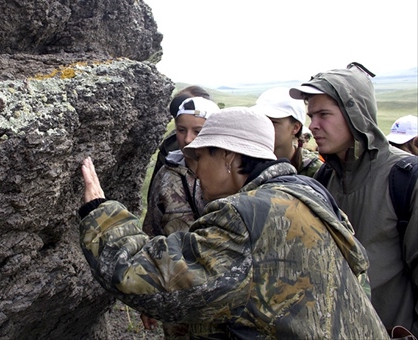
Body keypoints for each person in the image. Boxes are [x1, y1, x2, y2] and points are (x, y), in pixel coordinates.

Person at [78, 107, 388, 338]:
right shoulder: (308, 194)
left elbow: (143, 280)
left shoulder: (245, 215)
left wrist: (99, 211)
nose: (195, 171)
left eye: (200, 157)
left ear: (228, 156)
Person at [289, 62, 418, 334]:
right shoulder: (325, 178)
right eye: (311, 115)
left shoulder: (404, 179)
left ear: (354, 113)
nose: (313, 126)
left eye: (324, 114)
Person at [141, 96, 219, 338]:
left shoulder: (231, 172)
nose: (187, 139)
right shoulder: (166, 174)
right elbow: (152, 234)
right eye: (181, 130)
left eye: (198, 130)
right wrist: (148, 298)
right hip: (176, 294)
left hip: (221, 297)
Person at [252, 87, 322, 177]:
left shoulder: (314, 171)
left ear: (295, 128)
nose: (263, 126)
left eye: (273, 122)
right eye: (261, 120)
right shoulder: (248, 164)